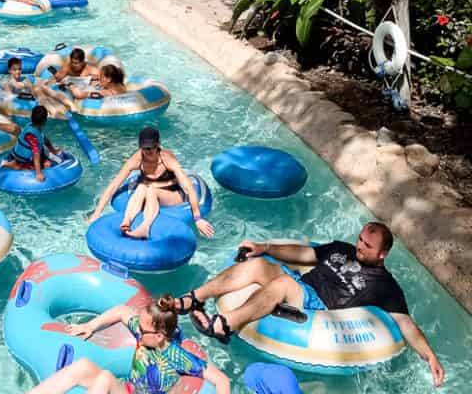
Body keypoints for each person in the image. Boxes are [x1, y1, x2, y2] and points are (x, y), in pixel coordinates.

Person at [178, 223, 444, 387]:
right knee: (257, 265)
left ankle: (226, 325)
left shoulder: (385, 285)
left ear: (383, 254)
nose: (360, 247)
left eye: (367, 246)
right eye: (361, 239)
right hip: (301, 282)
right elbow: (304, 253)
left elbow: (405, 323)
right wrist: (266, 247)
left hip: (317, 305)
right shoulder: (342, 248)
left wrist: (429, 355)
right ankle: (194, 297)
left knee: (283, 286)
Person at [23, 294, 230, 394]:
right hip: (128, 389)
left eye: (142, 330)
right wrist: (91, 326)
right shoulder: (146, 332)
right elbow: (122, 311)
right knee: (83, 366)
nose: (137, 332)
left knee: (104, 377)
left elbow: (222, 380)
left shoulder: (178, 357)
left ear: (159, 336)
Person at [88, 127, 214, 241]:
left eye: (151, 147)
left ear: (158, 144)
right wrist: (97, 213)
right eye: (145, 148)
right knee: (143, 186)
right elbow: (114, 185)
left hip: (173, 194)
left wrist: (198, 219)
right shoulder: (137, 159)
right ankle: (126, 221)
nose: (148, 151)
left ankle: (145, 228)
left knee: (150, 189)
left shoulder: (167, 159)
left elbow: (188, 187)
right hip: (148, 190)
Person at [0, 105, 62, 183]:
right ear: (44, 121)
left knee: (46, 161)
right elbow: (36, 154)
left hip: (21, 155)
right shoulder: (32, 136)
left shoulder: (31, 126)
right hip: (26, 158)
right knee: (47, 164)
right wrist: (39, 173)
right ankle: (15, 166)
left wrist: (53, 150)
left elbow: (44, 139)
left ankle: (15, 163)